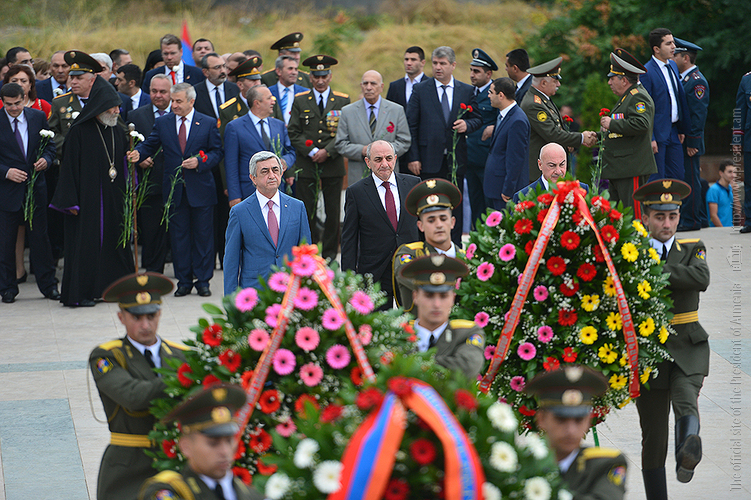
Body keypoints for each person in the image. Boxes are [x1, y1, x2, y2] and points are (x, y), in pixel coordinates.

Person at [633, 179, 709, 497]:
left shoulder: (692, 247)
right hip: (649, 352)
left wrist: (652, 268)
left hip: (687, 345)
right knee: (653, 436)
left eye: (673, 217)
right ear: (646, 217)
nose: (667, 224)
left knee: (685, 398)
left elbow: (700, 278)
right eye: (660, 217)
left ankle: (687, 452)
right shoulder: (630, 250)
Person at [90, 272, 187, 500]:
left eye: (151, 316)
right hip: (128, 470)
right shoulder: (107, 356)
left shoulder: (181, 355)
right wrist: (182, 377)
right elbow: (132, 396)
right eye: (136, 317)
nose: (145, 325)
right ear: (121, 317)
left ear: (160, 313)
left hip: (174, 462)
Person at [50, 51, 133, 307]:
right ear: (100, 106)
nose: (117, 111)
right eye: (113, 107)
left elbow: (121, 166)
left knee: (113, 245)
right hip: (85, 203)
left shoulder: (117, 132)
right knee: (85, 248)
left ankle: (113, 289)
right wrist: (70, 202)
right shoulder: (78, 132)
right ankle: (82, 292)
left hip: (111, 202)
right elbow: (68, 171)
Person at [128, 82, 223, 297]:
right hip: (174, 190)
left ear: (191, 101)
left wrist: (200, 162)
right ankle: (184, 281)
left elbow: (217, 152)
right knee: (179, 238)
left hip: (201, 190)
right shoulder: (163, 123)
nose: (174, 105)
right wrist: (138, 154)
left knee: (203, 237)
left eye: (178, 101)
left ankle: (203, 280)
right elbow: (150, 144)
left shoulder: (207, 123)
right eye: (173, 101)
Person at [406, 46, 481, 244]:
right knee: (428, 205)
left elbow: (477, 118)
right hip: (427, 160)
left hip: (456, 161)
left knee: (453, 205)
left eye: (443, 64)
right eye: (435, 63)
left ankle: (453, 248)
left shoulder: (466, 90)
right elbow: (411, 124)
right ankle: (426, 246)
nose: (438, 68)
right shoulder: (421, 89)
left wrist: (467, 124)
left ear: (453, 65)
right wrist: (413, 157)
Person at [137, 384, 264, 500]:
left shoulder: (253, 495)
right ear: (185, 446)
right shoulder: (170, 491)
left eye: (229, 440)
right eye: (213, 443)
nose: (225, 451)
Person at [524, 365, 627, 499]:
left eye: (579, 420)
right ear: (541, 419)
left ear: (588, 421)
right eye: (561, 419)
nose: (570, 430)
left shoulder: (604, 465)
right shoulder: (520, 464)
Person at [341, 140, 420, 308]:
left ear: (395, 159)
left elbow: (422, 226)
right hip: (374, 272)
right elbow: (349, 239)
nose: (384, 164)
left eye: (388, 158)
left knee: (412, 326)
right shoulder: (356, 192)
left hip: (409, 267)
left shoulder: (413, 184)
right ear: (368, 162)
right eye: (378, 159)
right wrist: (349, 278)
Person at [287, 54, 350, 262]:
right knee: (309, 213)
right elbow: (294, 132)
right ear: (310, 78)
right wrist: (312, 151)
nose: (320, 80)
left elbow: (344, 132)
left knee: (333, 214)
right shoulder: (300, 100)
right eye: (316, 76)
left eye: (324, 76)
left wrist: (328, 152)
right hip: (307, 164)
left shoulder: (342, 100)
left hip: (332, 164)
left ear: (330, 76)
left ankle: (330, 257)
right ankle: (310, 257)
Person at [0, 83, 59, 303]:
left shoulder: (37, 117)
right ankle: (7, 288)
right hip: (7, 192)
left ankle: (49, 286)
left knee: (40, 240)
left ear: (24, 98)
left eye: (17, 103)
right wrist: (6, 172)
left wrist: (46, 160)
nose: (13, 108)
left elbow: (50, 146)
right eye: (8, 105)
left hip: (35, 189)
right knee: (6, 242)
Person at [223, 151, 310, 294]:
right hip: (255, 292)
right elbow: (231, 262)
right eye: (265, 171)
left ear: (281, 174)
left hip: (290, 291)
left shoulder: (297, 207)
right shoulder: (240, 212)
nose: (271, 175)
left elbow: (306, 254)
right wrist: (231, 301)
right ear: (253, 178)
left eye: (275, 170)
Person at [399, 255, 484, 379]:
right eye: (429, 295)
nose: (437, 304)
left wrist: (412, 365)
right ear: (415, 297)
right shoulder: (399, 334)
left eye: (443, 296)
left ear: (453, 298)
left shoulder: (466, 333)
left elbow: (467, 367)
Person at [599, 48, 657, 217]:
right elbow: (623, 129)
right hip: (622, 168)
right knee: (618, 217)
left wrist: (612, 123)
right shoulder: (627, 97)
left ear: (623, 80)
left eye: (612, 78)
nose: (609, 83)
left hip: (632, 168)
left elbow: (642, 124)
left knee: (634, 216)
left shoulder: (638, 96)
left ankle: (638, 245)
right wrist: (598, 134)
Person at [520, 57, 596, 183]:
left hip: (550, 169)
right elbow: (553, 134)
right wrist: (581, 138)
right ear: (543, 83)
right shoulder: (534, 104)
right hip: (540, 172)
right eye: (555, 81)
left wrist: (567, 142)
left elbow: (556, 129)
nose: (559, 85)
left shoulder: (542, 99)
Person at [393, 177, 463, 313]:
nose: (438, 225)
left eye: (443, 218)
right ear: (421, 226)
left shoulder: (467, 258)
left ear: (453, 222)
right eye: (431, 220)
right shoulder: (410, 255)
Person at [127, 74, 172, 274]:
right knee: (152, 229)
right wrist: (140, 157)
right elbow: (129, 144)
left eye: (163, 92)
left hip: (174, 181)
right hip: (149, 182)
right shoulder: (136, 115)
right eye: (154, 91)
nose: (158, 95)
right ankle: (153, 270)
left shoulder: (178, 114)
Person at [336, 70, 411, 185]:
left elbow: (404, 141)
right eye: (365, 84)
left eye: (373, 83)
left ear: (381, 87)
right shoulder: (348, 111)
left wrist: (383, 153)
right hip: (358, 174)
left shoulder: (396, 110)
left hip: (387, 173)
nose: (369, 87)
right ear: (361, 86)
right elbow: (340, 144)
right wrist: (363, 150)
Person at [225, 85, 295, 204]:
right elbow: (231, 164)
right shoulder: (235, 127)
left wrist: (284, 161)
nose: (273, 101)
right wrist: (234, 196)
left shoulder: (278, 125)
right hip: (249, 191)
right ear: (257, 103)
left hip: (276, 190)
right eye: (269, 98)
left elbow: (290, 151)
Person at [639, 28, 690, 181]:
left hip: (674, 131)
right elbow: (644, 108)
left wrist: (681, 128)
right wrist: (651, 137)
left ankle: (674, 206)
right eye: (668, 43)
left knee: (677, 176)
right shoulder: (646, 71)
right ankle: (655, 206)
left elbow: (678, 98)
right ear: (656, 49)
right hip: (657, 133)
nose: (673, 46)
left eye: (673, 42)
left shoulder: (673, 66)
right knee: (657, 178)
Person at [673, 37, 710, 231]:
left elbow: (698, 116)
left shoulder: (696, 82)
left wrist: (693, 142)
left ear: (685, 58)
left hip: (689, 141)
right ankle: (698, 218)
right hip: (685, 140)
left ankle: (692, 220)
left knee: (691, 180)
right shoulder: (685, 80)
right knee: (688, 178)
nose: (673, 58)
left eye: (676, 55)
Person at [465, 49, 499, 224]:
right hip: (470, 159)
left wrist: (496, 126)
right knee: (475, 205)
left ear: (488, 74)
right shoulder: (468, 93)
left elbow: (508, 117)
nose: (472, 75)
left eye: (476, 71)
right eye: (471, 70)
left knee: (490, 205)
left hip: (488, 160)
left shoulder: (496, 94)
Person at [484, 76, 530, 207]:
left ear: (501, 95)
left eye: (491, 93)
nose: (489, 96)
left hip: (504, 192)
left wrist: (508, 189)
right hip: (495, 187)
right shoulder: (504, 115)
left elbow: (515, 160)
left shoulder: (517, 120)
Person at [385, 45, 426, 173]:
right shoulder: (395, 86)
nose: (409, 63)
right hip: (399, 149)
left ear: (422, 62)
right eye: (406, 59)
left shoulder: (430, 85)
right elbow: (388, 116)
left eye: (413, 59)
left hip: (423, 149)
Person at [514, 143, 588, 203]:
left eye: (562, 164)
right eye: (552, 166)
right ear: (540, 165)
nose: (558, 171)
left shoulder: (582, 190)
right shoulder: (524, 196)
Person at [218, 56, 263, 138]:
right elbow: (225, 141)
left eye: (258, 80)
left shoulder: (270, 103)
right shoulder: (228, 110)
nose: (257, 84)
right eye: (252, 81)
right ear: (240, 85)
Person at [193, 53, 240, 120]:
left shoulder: (236, 89)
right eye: (217, 67)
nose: (223, 71)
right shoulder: (195, 92)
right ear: (206, 72)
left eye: (224, 66)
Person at [269, 55, 307, 126]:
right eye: (290, 69)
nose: (294, 72)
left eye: (296, 69)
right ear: (279, 71)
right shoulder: (268, 92)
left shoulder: (305, 93)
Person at [706, 160, 736, 227]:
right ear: (721, 173)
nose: (733, 175)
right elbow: (713, 215)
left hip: (729, 228)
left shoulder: (731, 189)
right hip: (718, 232)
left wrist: (735, 193)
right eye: (730, 172)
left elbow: (738, 212)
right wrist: (722, 230)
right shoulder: (714, 190)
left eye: (734, 172)